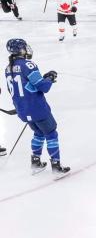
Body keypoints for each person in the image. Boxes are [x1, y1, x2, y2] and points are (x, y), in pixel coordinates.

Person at [4, 39, 70, 176]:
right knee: (51, 133)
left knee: (39, 133)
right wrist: (50, 78)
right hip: (37, 108)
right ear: (21, 50)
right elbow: (44, 87)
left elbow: (19, 88)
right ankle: (56, 167)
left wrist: (43, 78)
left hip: (22, 110)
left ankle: (35, 162)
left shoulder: (8, 68)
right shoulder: (27, 64)